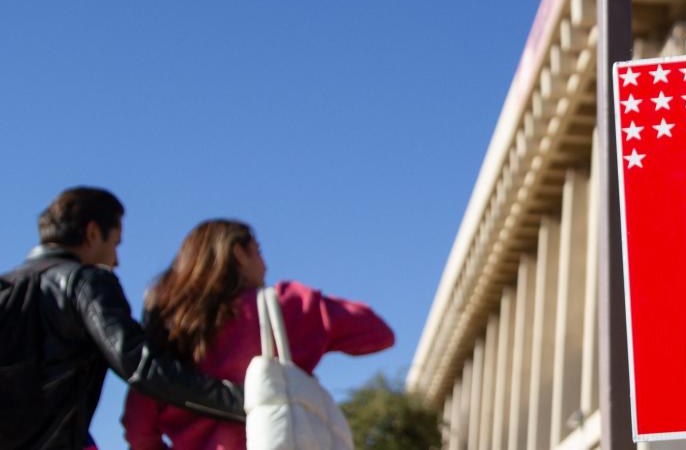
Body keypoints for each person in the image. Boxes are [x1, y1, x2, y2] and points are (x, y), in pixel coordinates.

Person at [2, 187, 245, 450]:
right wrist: (244, 401)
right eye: (115, 244)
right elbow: (141, 366)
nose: (116, 261)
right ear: (93, 233)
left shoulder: (7, 287)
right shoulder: (85, 282)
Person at [123, 219, 395, 449]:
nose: (265, 265)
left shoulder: (165, 336)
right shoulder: (281, 308)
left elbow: (138, 430)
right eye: (259, 252)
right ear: (239, 254)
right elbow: (378, 333)